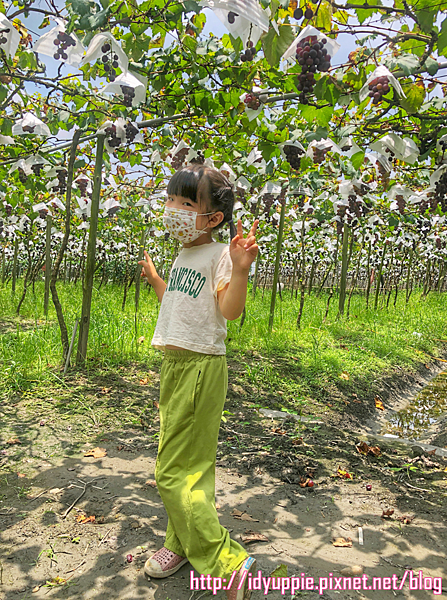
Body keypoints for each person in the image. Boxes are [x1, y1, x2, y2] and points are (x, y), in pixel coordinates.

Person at [138, 164, 260, 600]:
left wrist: (241, 270)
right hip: (176, 366)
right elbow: (181, 305)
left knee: (170, 472)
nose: (173, 209)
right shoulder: (184, 254)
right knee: (193, 468)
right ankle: (180, 542)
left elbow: (228, 311)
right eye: (171, 200)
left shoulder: (220, 254)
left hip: (200, 368)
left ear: (213, 218)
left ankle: (229, 563)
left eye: (186, 203)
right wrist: (157, 282)